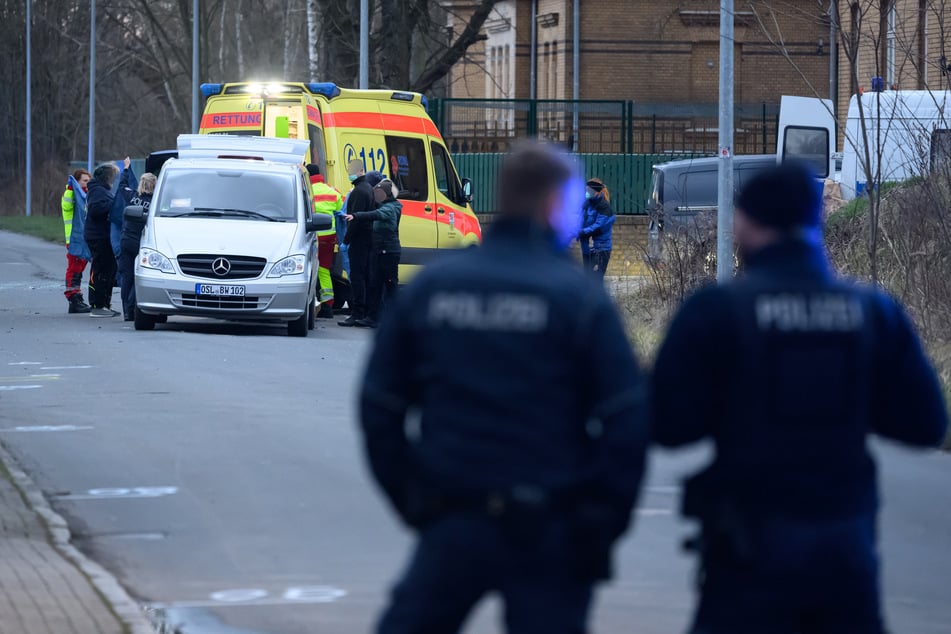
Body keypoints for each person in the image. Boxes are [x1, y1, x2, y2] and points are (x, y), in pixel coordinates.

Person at [359, 141, 649, 634]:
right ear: (556, 204)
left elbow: (379, 406)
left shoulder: (436, 288)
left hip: (453, 519)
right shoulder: (579, 300)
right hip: (551, 525)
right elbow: (628, 419)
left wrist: (415, 499)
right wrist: (598, 523)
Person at [651, 161, 949, 634]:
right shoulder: (873, 312)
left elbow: (668, 426)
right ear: (817, 220)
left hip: (746, 549)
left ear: (745, 223)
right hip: (843, 546)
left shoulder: (717, 313)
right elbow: (927, 424)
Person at [344, 178, 401, 328]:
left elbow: (375, 214)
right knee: (376, 284)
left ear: (388, 194)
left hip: (388, 251)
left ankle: (393, 317)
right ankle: (374, 317)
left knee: (389, 285)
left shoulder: (390, 209)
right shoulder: (389, 204)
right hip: (381, 250)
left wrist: (356, 215)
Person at [339, 161, 381, 326]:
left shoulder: (359, 191)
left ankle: (357, 313)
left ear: (361, 171)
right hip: (367, 238)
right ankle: (363, 312)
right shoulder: (367, 189)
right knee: (364, 275)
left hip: (359, 239)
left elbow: (354, 219)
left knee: (357, 276)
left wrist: (346, 240)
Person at [84, 161, 122, 317]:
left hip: (105, 237)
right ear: (106, 177)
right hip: (98, 237)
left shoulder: (103, 190)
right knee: (100, 271)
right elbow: (95, 209)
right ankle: (97, 305)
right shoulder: (97, 191)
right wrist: (112, 207)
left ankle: (105, 304)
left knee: (109, 271)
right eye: (113, 176)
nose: (114, 180)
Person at [306, 164, 344, 318]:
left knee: (306, 269)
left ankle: (313, 302)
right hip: (329, 236)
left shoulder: (306, 189)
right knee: (324, 269)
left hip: (310, 233)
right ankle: (328, 304)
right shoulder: (332, 190)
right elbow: (342, 212)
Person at [117, 171, 155, 321]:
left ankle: (126, 310)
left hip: (126, 241)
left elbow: (122, 186)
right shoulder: (156, 202)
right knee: (137, 277)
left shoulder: (132, 196)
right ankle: (132, 308)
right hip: (141, 244)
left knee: (126, 277)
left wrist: (126, 171)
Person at [62, 169, 92, 313]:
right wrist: (70, 189)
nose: (87, 184)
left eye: (89, 181)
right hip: (74, 240)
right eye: (84, 181)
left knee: (79, 269)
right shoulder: (72, 194)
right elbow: (66, 206)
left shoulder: (85, 196)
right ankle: (73, 298)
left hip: (83, 239)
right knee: (74, 269)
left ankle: (76, 297)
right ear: (77, 182)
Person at [578, 178, 615, 279]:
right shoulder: (587, 204)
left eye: (588, 191)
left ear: (595, 192)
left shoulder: (604, 207)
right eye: (585, 190)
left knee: (595, 280)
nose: (586, 193)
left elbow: (599, 226)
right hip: (587, 248)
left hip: (600, 248)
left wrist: (582, 232)